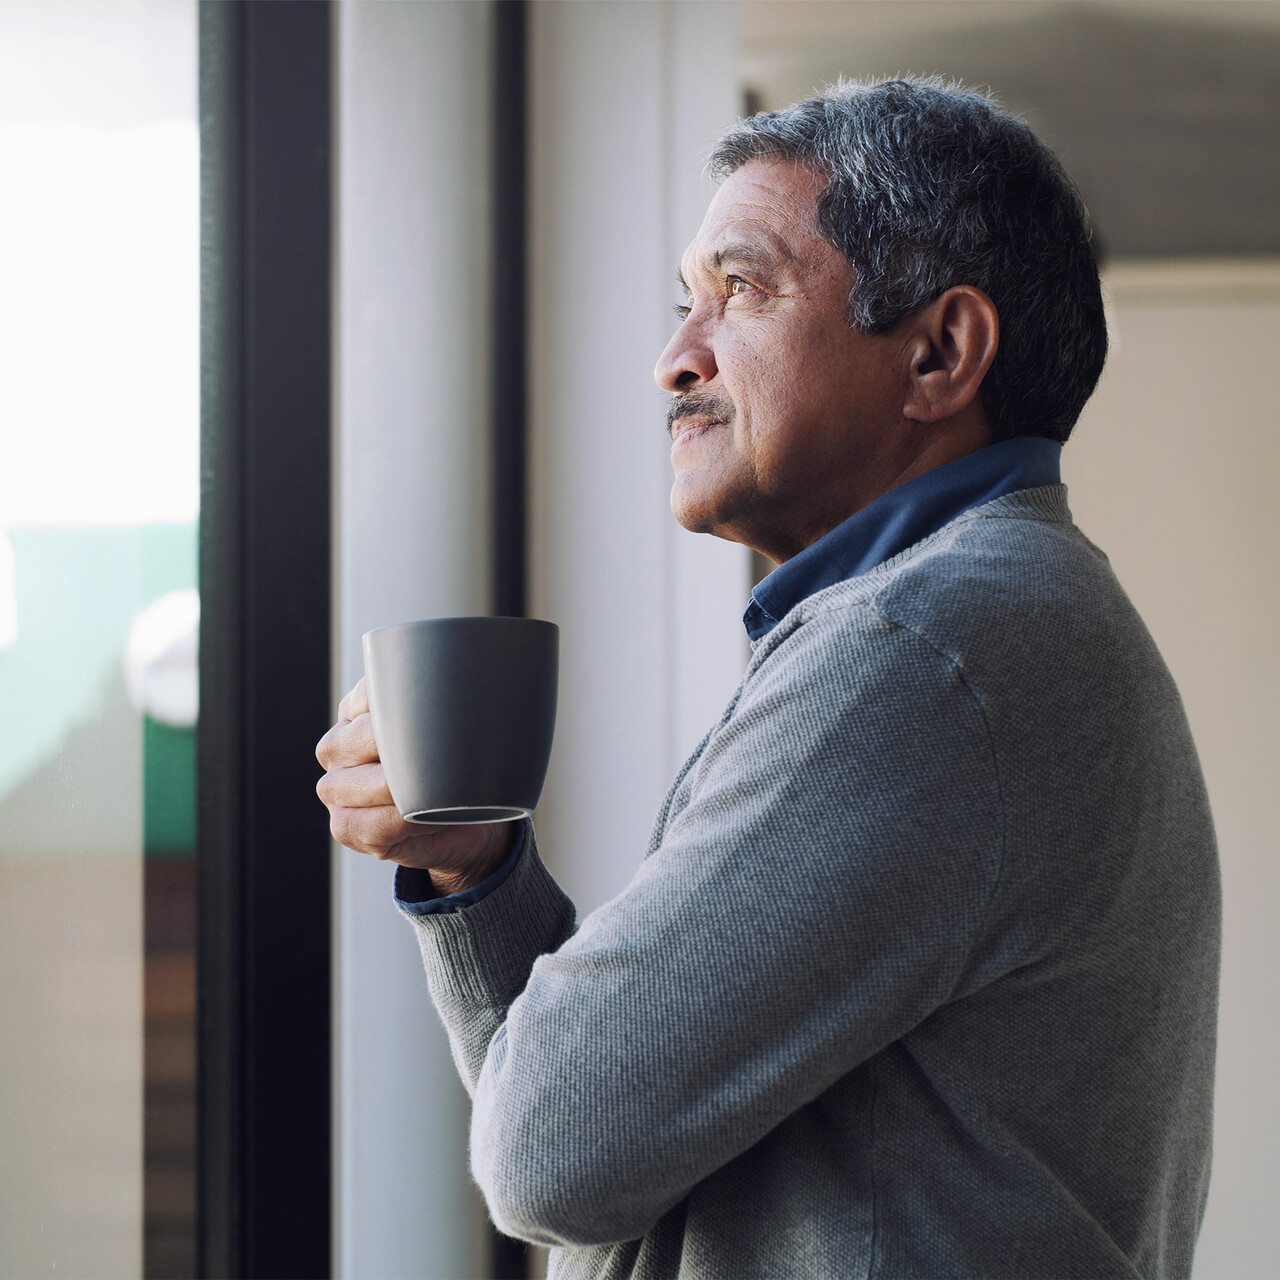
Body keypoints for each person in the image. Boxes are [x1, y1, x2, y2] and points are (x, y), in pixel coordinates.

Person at [316, 78, 1219, 1279]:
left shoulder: (922, 649)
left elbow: (549, 1153)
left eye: (737, 290)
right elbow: (599, 1151)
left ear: (939, 351)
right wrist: (472, 869)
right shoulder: (990, 620)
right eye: (682, 302)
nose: (670, 360)